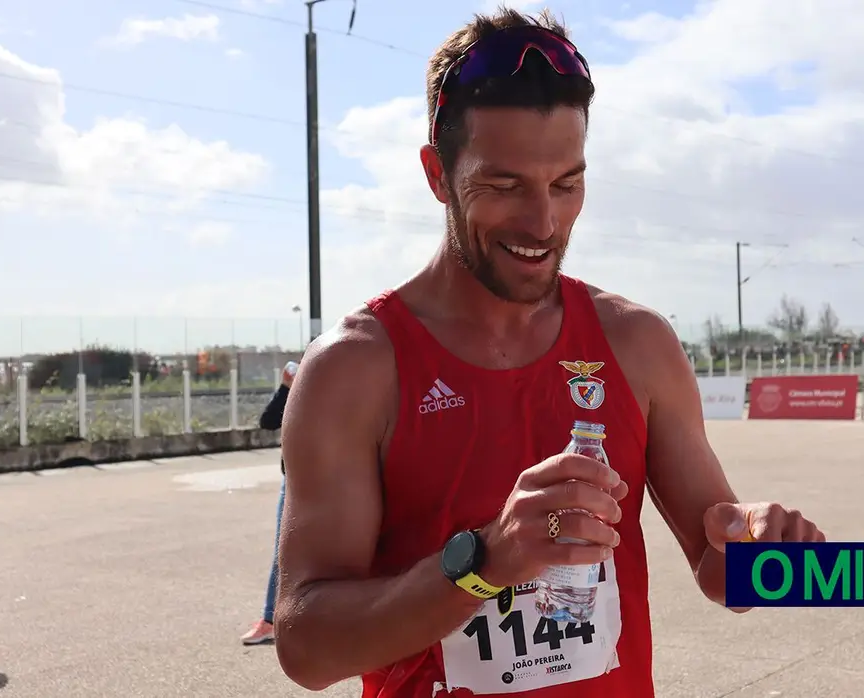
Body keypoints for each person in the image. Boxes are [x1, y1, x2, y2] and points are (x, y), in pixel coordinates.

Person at [271, 10, 824, 697]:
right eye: (504, 187)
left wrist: (764, 548)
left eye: (567, 183)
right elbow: (306, 647)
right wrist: (483, 564)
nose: (544, 223)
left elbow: (723, 570)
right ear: (438, 173)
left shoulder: (636, 342)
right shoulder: (356, 368)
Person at [241, 360, 296, 646]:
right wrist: (286, 387)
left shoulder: (337, 386)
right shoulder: (301, 387)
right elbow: (268, 421)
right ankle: (272, 619)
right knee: (284, 550)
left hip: (322, 479)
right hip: (296, 478)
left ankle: (273, 620)